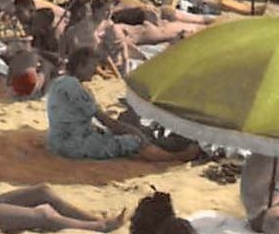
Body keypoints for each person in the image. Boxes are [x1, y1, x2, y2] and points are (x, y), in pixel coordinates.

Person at [46, 48, 193, 161]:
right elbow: (105, 120)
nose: (96, 71)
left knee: (125, 122)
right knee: (134, 141)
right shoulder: (74, 87)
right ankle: (178, 156)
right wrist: (136, 134)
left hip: (60, 141)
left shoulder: (60, 83)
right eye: (93, 66)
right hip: (73, 146)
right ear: (80, 65)